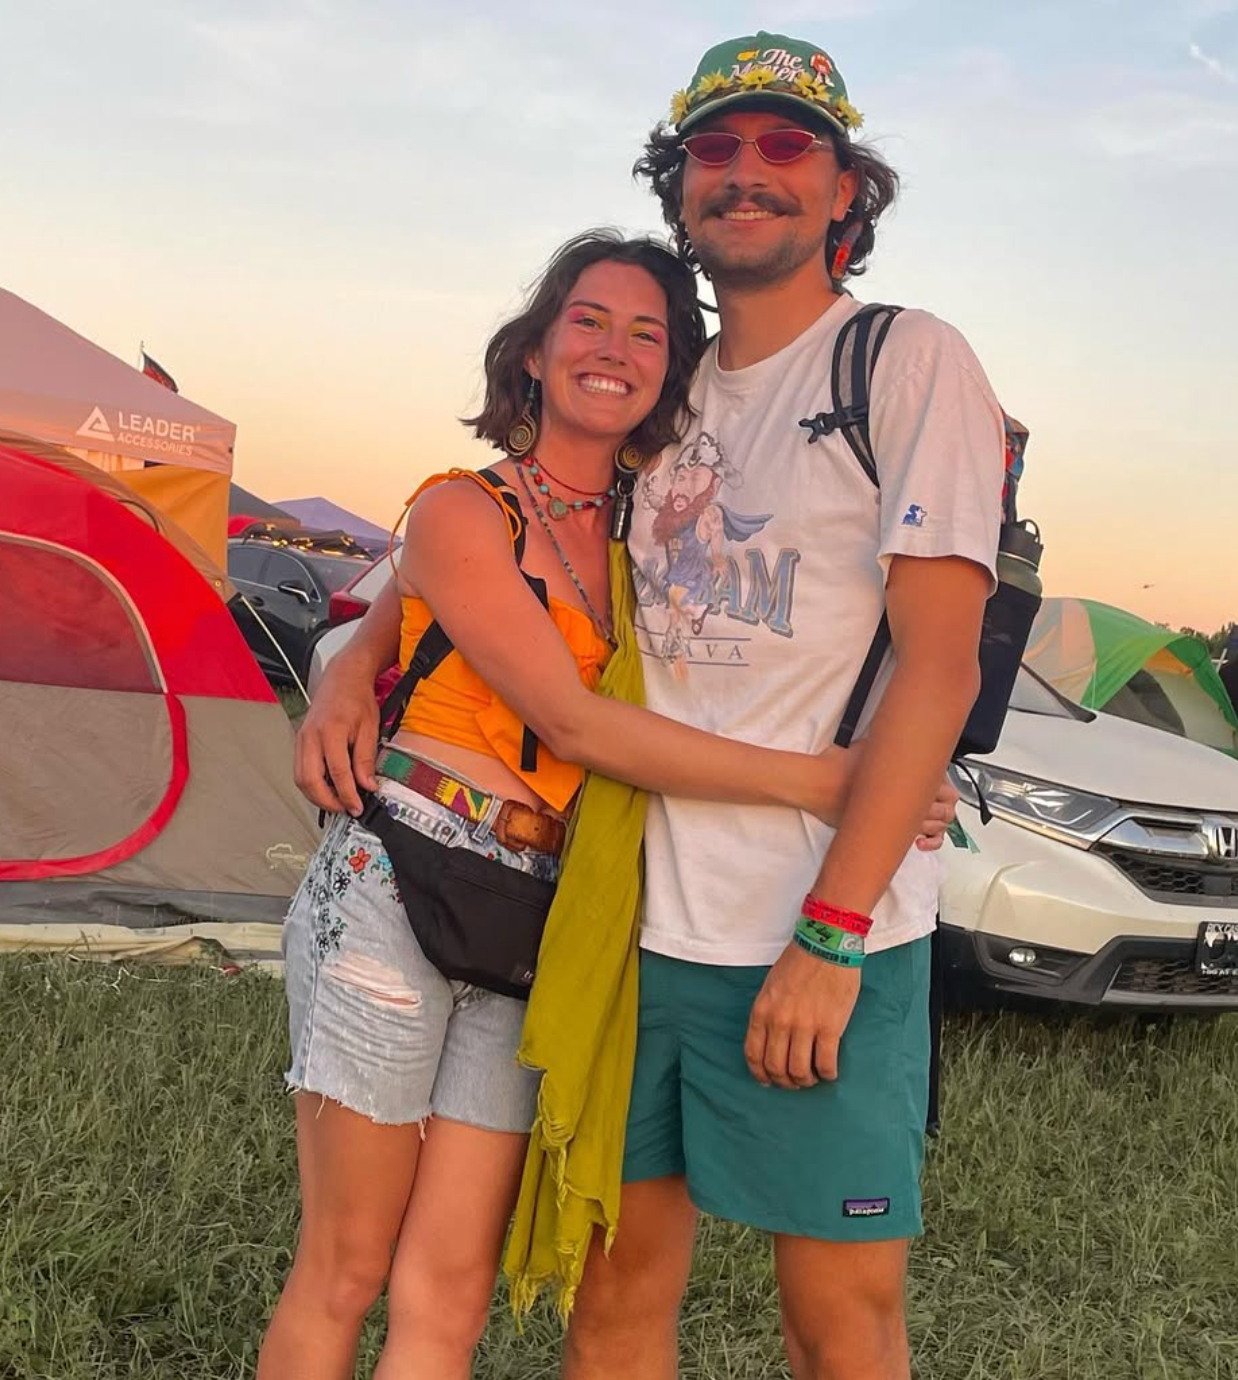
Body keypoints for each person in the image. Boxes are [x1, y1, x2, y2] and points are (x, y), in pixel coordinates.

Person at [297, 30, 996, 1380]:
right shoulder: (664, 399)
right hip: (630, 927)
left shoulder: (903, 363)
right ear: (679, 186)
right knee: (614, 1309)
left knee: (838, 1319)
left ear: (846, 188)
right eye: (715, 148)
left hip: (823, 922)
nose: (749, 171)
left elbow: (942, 664)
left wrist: (833, 935)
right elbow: (456, 544)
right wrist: (347, 659)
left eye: (787, 145)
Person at [258, 230, 882, 1380]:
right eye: (588, 320)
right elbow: (573, 723)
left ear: (670, 373)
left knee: (449, 1292)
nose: (614, 349)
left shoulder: (656, 538)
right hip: (399, 880)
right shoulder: (461, 508)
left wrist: (354, 665)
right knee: (344, 1266)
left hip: (545, 920)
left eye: (648, 333)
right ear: (536, 352)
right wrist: (826, 784)